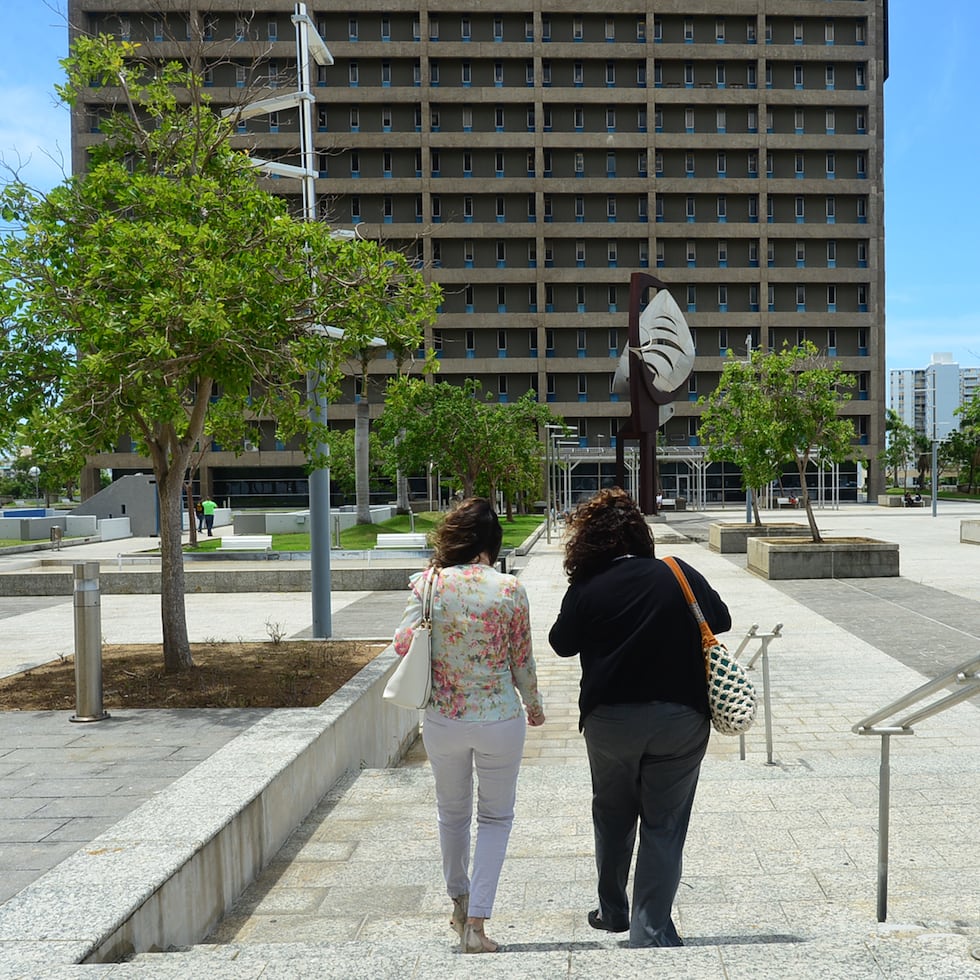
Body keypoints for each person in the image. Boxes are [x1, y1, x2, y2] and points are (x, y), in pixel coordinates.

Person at [548, 487, 731, 948]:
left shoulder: (588, 586)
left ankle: (612, 911)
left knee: (611, 814)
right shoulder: (676, 572)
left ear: (588, 541)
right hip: (680, 719)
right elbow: (722, 619)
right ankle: (650, 930)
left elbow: (561, 643)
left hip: (610, 723)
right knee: (664, 823)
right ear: (641, 534)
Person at [391, 497, 545, 954]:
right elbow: (522, 661)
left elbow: (402, 644)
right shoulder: (509, 590)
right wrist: (534, 707)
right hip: (499, 718)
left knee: (451, 814)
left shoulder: (429, 584)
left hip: (444, 718)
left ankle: (458, 904)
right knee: (495, 819)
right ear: (490, 547)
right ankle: (477, 924)